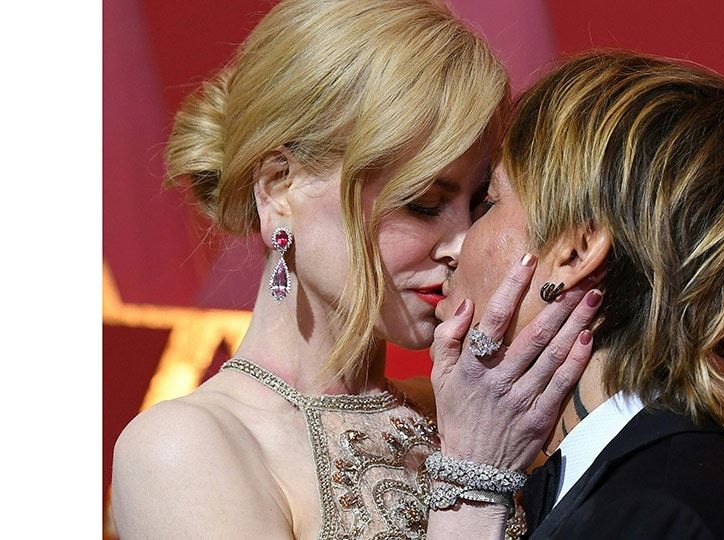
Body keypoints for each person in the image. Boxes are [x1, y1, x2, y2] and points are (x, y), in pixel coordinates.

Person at [111, 1, 597, 538]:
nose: (462, 243)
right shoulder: (187, 447)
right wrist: (474, 488)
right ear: (279, 188)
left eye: (480, 203)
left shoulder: (469, 408)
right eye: (423, 202)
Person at [429, 50, 724, 539]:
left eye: (489, 201)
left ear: (576, 252)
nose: (458, 244)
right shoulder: (621, 486)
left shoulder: (660, 516)